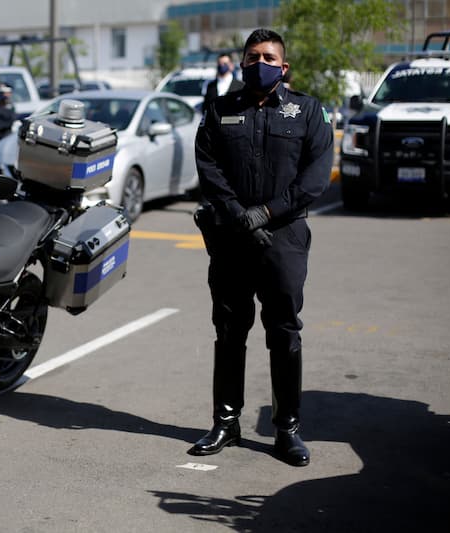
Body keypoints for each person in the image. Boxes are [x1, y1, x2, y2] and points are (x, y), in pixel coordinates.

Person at [189, 28, 333, 467]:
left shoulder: (307, 111)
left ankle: (287, 430)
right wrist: (238, 215)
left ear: (283, 67)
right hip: (232, 238)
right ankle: (226, 423)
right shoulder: (220, 109)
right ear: (241, 60)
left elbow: (315, 177)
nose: (259, 63)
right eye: (251, 56)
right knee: (230, 331)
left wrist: (266, 213)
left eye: (268, 56)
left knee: (284, 331)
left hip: (283, 238)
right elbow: (208, 166)